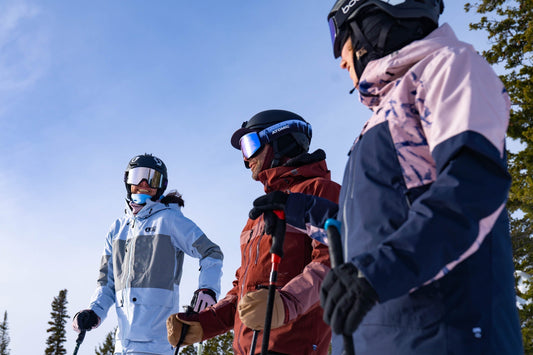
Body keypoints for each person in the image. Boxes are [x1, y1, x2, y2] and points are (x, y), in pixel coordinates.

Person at [248, 1, 525, 354]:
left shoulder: (446, 68)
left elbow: (470, 190)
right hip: (381, 336)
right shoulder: (380, 120)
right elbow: (364, 234)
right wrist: (298, 210)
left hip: (445, 332)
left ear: (377, 19)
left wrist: (375, 273)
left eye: (341, 37)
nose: (341, 60)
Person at [166, 110, 341, 355]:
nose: (246, 160)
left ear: (281, 139)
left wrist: (286, 303)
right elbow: (244, 290)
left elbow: (333, 261)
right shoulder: (262, 211)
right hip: (247, 349)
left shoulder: (319, 191)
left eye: (249, 145)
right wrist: (203, 324)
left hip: (293, 346)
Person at [72, 153, 223, 355]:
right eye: (138, 177)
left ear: (161, 186)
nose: (144, 183)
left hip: (158, 346)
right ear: (127, 180)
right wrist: (94, 312)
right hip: (122, 347)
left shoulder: (169, 220)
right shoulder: (117, 229)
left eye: (152, 178)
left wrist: (207, 289)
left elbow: (211, 251)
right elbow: (107, 283)